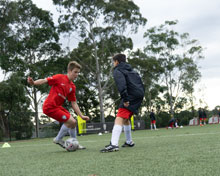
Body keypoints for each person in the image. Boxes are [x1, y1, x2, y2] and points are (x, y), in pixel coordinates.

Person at [27, 61, 89, 150]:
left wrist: (81, 115)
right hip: (49, 106)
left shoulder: (72, 86)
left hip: (57, 107)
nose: (77, 74)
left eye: (78, 72)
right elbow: (45, 80)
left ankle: (75, 142)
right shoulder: (59, 77)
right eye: (75, 72)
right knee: (71, 121)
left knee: (74, 123)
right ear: (69, 71)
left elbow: (74, 103)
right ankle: (58, 139)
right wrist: (34, 83)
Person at [100, 54, 145, 152]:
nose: (113, 64)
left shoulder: (118, 70)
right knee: (126, 118)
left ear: (116, 62)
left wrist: (125, 99)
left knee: (120, 117)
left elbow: (121, 85)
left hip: (131, 95)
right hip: (140, 94)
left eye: (113, 62)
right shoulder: (132, 70)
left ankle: (114, 144)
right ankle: (129, 141)